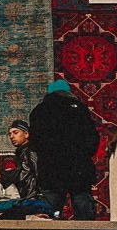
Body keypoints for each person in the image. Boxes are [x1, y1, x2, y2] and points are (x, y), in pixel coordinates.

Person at [27, 80, 103, 220]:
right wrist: (84, 153)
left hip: (51, 167)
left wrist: (45, 153)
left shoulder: (40, 110)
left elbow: (34, 141)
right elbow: (92, 137)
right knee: (82, 205)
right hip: (79, 166)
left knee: (48, 212)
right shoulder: (81, 108)